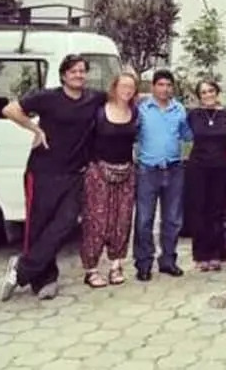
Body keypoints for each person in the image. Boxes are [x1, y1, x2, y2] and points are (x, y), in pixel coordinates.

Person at [0, 54, 105, 301]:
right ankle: (45, 280)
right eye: (73, 71)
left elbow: (121, 97)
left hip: (74, 173)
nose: (79, 75)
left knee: (65, 224)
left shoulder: (93, 98)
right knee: (39, 225)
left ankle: (21, 268)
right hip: (43, 171)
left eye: (82, 71)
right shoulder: (47, 97)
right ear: (63, 75)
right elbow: (10, 109)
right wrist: (35, 129)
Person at [81, 71, 139, 288]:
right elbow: (85, 139)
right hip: (99, 171)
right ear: (114, 87)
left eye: (131, 87)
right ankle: (91, 270)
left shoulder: (135, 112)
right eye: (123, 86)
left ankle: (116, 265)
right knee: (97, 221)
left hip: (126, 172)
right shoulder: (99, 112)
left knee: (122, 220)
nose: (127, 90)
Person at [133, 69, 191, 281]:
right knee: (144, 219)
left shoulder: (179, 110)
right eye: (160, 85)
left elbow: (187, 135)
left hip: (174, 169)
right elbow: (132, 135)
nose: (165, 89)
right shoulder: (142, 109)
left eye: (168, 85)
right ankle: (143, 263)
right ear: (153, 86)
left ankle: (168, 260)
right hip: (148, 170)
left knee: (173, 219)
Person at [186, 78, 226, 272]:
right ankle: (200, 254)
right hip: (198, 167)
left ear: (217, 92)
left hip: (221, 168)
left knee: (217, 211)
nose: (208, 95)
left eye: (211, 91)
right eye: (203, 92)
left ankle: (215, 253)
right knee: (199, 210)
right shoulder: (193, 115)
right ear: (199, 96)